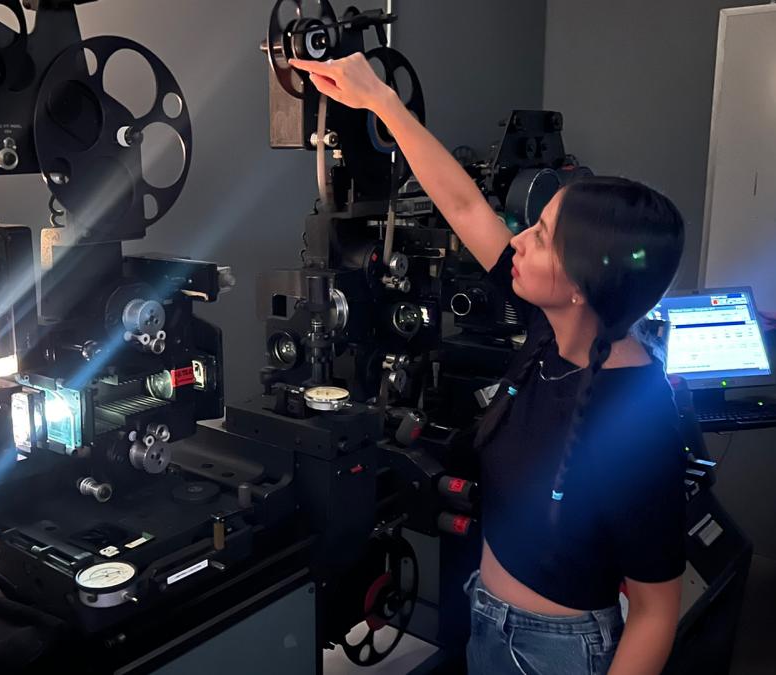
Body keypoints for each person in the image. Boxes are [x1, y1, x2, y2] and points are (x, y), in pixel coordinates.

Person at [290, 54, 687, 674]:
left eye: (543, 236)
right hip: (486, 618)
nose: (519, 239)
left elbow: (658, 609)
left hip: (559, 652)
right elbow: (468, 208)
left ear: (584, 283)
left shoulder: (639, 419)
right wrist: (381, 103)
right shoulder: (548, 329)